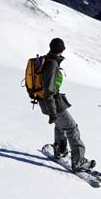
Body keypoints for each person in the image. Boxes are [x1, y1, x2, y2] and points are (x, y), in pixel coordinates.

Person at [38, 37, 96, 172]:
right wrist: (52, 112)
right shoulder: (51, 65)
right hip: (52, 104)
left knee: (60, 126)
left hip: (47, 103)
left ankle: (60, 150)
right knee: (72, 128)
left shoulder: (47, 60)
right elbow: (48, 91)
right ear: (60, 50)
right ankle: (78, 162)